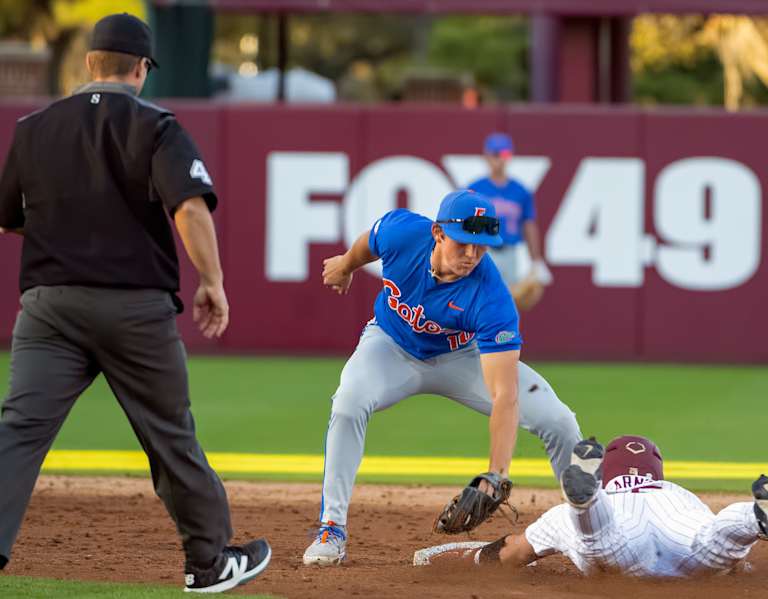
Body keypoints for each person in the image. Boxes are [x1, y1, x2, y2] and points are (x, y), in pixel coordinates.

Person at [0, 13, 270, 593]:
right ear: (142, 68)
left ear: (88, 62)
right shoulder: (157, 126)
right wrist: (212, 281)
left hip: (49, 307)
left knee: (18, 431)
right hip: (133, 309)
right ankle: (209, 563)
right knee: (169, 434)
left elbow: (9, 217)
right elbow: (190, 209)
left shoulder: (32, 127)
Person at [302, 188, 582, 566]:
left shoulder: (491, 295)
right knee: (349, 403)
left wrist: (496, 475)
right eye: (463, 243)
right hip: (390, 345)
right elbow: (369, 243)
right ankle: (331, 528)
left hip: (461, 357)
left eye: (481, 247)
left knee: (560, 421)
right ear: (438, 233)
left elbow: (505, 395)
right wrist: (347, 264)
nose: (471, 255)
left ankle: (591, 531)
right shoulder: (402, 232)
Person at [415, 436, 768, 577]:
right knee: (715, 540)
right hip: (682, 535)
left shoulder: (571, 510)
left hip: (620, 534)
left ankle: (585, 505)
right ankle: (754, 516)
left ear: (603, 474)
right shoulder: (678, 493)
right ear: (657, 471)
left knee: (606, 541)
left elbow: (513, 551)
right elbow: (735, 565)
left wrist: (469, 558)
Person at [468, 133, 552, 309]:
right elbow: (464, 223)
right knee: (481, 302)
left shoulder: (520, 191)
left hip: (512, 252)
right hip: (484, 251)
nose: (500, 160)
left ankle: (506, 337)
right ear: (487, 156)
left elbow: (529, 224)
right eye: (495, 154)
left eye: (504, 155)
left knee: (509, 304)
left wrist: (536, 259)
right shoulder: (475, 188)